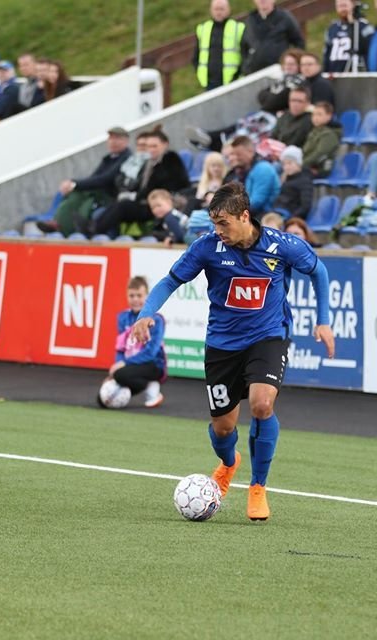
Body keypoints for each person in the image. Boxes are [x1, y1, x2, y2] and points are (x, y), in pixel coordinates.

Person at [130, 181, 335, 521]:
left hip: (268, 337)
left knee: (262, 404)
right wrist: (146, 313)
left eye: (223, 223)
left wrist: (323, 320)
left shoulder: (282, 246)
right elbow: (170, 281)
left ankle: (258, 487)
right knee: (223, 428)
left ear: (244, 216)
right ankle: (229, 463)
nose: (218, 230)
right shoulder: (207, 247)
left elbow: (319, 271)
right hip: (222, 345)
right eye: (214, 223)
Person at [90, 127, 189, 237]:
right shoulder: (150, 163)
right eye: (148, 146)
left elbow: (162, 185)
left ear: (165, 144)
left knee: (123, 206)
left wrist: (136, 196)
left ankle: (94, 232)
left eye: (154, 146)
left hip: (162, 202)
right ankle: (95, 230)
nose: (151, 150)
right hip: (147, 200)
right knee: (117, 204)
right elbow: (141, 186)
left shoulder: (170, 159)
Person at [38, 127, 134, 234]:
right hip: (98, 194)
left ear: (126, 141)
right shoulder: (109, 158)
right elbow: (93, 177)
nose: (113, 142)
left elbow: (105, 179)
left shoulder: (127, 158)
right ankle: (58, 224)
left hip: (110, 197)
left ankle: (62, 226)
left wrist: (75, 184)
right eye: (111, 138)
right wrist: (73, 184)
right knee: (74, 193)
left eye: (117, 138)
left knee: (78, 196)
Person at [101, 276, 167, 409]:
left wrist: (124, 364)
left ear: (147, 296)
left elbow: (150, 353)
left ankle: (151, 385)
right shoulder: (123, 317)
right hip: (131, 366)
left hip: (154, 365)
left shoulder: (156, 319)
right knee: (102, 399)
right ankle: (145, 386)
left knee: (120, 375)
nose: (135, 299)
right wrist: (117, 365)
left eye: (139, 295)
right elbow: (120, 348)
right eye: (132, 296)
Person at [241, 0, 306, 75]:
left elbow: (299, 42)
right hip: (255, 73)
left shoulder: (284, 17)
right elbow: (244, 46)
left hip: (279, 70)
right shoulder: (250, 20)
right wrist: (246, 66)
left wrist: (293, 63)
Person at [194, 0, 246, 91]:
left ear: (228, 10)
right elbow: (196, 55)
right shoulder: (203, 28)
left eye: (222, 9)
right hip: (209, 83)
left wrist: (238, 75)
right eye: (216, 9)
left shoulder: (238, 28)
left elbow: (245, 55)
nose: (218, 12)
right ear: (211, 10)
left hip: (233, 82)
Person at [226, 135, 280, 216]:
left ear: (250, 152)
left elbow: (256, 203)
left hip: (264, 217)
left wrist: (230, 211)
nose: (235, 158)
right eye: (233, 154)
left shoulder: (263, 169)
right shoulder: (244, 172)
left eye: (238, 154)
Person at [323, 0, 376, 73]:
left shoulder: (364, 26)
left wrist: (352, 24)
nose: (342, 9)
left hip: (356, 70)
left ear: (353, 5)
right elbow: (327, 52)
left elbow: (368, 48)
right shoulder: (332, 28)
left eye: (345, 5)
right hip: (334, 72)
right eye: (339, 6)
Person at [256, 48, 304, 114]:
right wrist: (272, 98)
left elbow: (275, 102)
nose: (288, 67)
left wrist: (271, 98)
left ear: (300, 65)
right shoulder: (282, 79)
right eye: (286, 64)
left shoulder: (299, 83)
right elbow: (261, 95)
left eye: (292, 64)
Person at [272, 145, 314, 219]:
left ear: (298, 163)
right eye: (284, 164)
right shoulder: (287, 179)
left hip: (290, 217)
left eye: (290, 163)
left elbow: (305, 206)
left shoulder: (305, 181)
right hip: (278, 212)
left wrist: (291, 217)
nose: (286, 167)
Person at [302, 101, 340, 178]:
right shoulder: (314, 132)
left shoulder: (329, 135)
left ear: (329, 116)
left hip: (320, 169)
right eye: (314, 114)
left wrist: (300, 164)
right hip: (308, 166)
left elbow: (319, 154)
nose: (315, 118)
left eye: (319, 114)